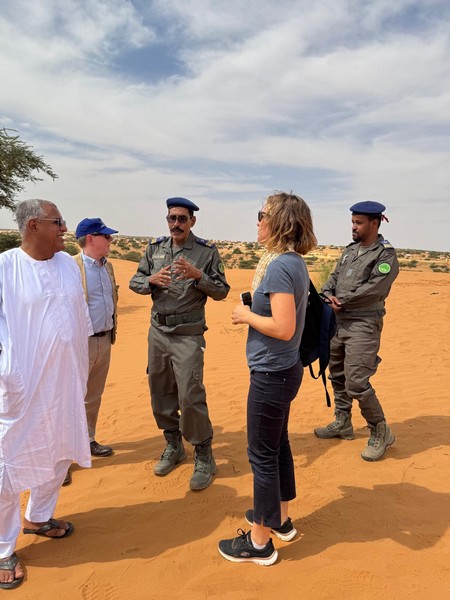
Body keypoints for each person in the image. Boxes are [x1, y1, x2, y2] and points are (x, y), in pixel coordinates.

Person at [218, 192, 317, 565]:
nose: (257, 221)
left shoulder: (279, 267)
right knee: (278, 447)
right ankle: (280, 520)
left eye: (262, 215)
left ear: (279, 222)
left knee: (261, 455)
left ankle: (259, 543)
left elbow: (283, 327)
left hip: (272, 374)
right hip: (284, 370)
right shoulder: (293, 262)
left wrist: (245, 315)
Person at [0, 199, 92, 590]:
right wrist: (9, 373)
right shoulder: (5, 268)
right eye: (58, 222)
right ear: (34, 225)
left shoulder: (68, 265)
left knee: (59, 452)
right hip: (21, 388)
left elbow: (79, 317)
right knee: (7, 465)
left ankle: (38, 517)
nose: (65, 229)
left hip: (66, 383)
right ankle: (2, 549)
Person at [129, 197, 230, 491]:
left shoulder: (206, 252)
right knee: (160, 390)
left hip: (188, 334)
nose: (176, 224)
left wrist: (199, 276)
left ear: (192, 221)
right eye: (171, 218)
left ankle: (204, 454)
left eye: (182, 219)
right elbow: (135, 282)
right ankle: (173, 445)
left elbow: (222, 291)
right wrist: (151, 280)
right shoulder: (155, 248)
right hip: (158, 332)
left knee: (189, 394)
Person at [314, 201, 399, 461]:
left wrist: (342, 300)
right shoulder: (350, 251)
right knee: (337, 374)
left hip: (364, 323)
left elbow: (375, 288)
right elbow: (333, 278)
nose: (353, 227)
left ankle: (380, 430)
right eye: (352, 222)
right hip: (338, 322)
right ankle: (343, 422)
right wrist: (327, 295)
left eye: (359, 223)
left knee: (357, 382)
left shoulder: (385, 254)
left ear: (375, 223)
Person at [60, 218, 119, 486]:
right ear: (91, 239)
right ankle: (61, 459)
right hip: (79, 344)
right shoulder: (70, 267)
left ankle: (88, 439)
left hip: (104, 340)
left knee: (93, 396)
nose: (110, 240)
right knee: (69, 399)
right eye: (106, 236)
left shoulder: (108, 267)